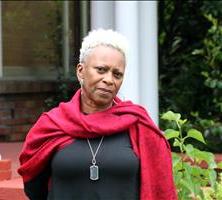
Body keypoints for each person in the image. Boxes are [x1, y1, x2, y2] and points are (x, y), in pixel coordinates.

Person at [18, 29, 177, 200]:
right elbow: (34, 184)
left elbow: (160, 187)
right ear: (81, 71)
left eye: (117, 74)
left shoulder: (138, 125)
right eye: (101, 69)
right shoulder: (53, 124)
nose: (109, 79)